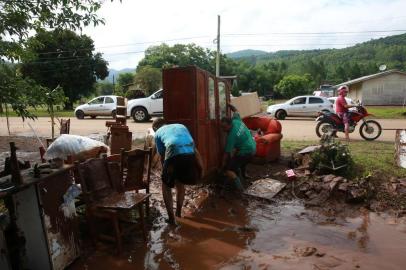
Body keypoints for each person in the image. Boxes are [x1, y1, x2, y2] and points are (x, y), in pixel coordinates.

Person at [152, 118, 201, 225]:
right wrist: (200, 168)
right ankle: (178, 212)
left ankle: (171, 219)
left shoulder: (158, 133)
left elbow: (162, 156)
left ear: (155, 128)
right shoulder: (180, 125)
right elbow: (193, 146)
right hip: (189, 153)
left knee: (166, 186)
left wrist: (165, 173)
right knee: (180, 183)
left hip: (173, 152)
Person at [220, 104, 256, 191]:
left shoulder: (231, 136)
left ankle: (241, 189)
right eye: (222, 127)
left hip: (246, 152)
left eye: (224, 127)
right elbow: (235, 110)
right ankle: (244, 176)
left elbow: (226, 153)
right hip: (253, 148)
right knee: (239, 159)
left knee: (229, 170)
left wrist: (223, 166)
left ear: (229, 124)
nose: (223, 129)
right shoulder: (237, 120)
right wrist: (228, 104)